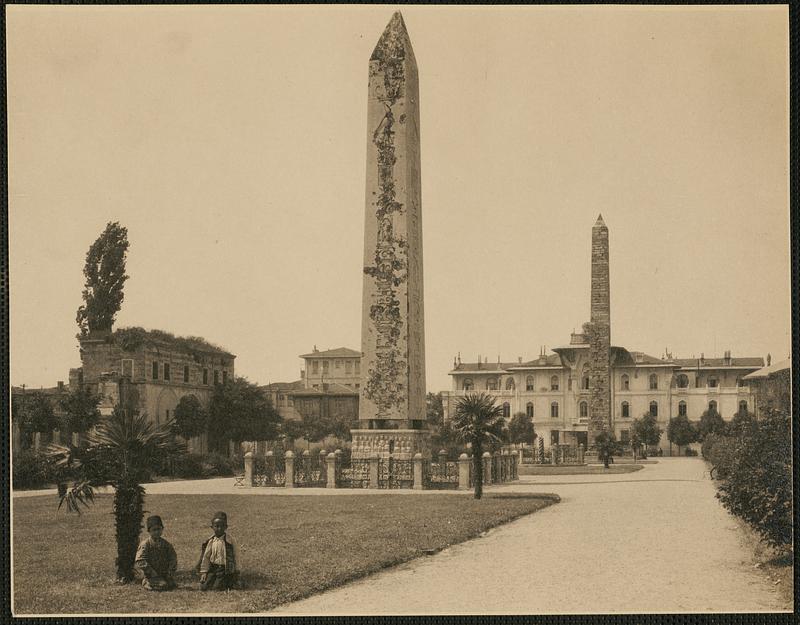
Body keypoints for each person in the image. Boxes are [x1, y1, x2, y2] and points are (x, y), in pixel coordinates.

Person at [198, 511, 241, 591]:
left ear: (226, 527)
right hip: (213, 568)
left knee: (216, 588)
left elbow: (236, 555)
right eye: (217, 526)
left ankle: (229, 582)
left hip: (224, 569)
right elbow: (206, 557)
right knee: (204, 587)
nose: (219, 529)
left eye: (222, 526)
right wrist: (204, 572)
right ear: (212, 527)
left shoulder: (230, 541)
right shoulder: (211, 541)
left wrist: (237, 570)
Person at [135, 515, 178, 591]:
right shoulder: (145, 544)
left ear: (162, 529)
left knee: (172, 585)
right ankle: (147, 582)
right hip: (151, 574)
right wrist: (151, 572)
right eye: (154, 530)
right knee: (163, 585)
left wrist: (170, 571)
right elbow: (140, 561)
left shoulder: (166, 544)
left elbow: (173, 558)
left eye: (159, 529)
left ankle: (162, 581)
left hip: (164, 573)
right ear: (149, 531)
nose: (157, 532)